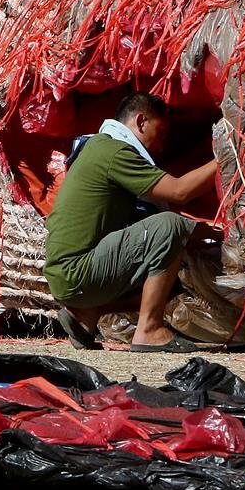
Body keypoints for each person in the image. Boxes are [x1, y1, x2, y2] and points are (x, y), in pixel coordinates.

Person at [44, 92, 218, 353]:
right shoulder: (113, 150)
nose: (161, 145)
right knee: (171, 226)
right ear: (141, 121)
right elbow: (180, 191)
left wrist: (201, 236)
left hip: (67, 276)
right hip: (77, 271)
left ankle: (87, 312)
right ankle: (148, 329)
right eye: (160, 134)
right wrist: (226, 158)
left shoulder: (99, 147)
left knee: (175, 265)